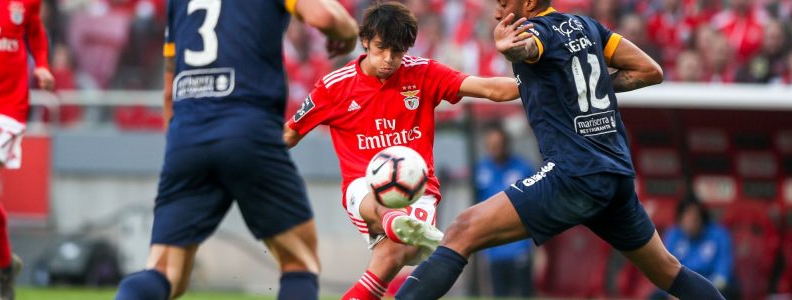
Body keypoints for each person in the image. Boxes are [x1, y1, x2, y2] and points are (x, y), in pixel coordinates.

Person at [395, 1, 726, 299]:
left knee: (462, 230)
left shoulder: (535, 31)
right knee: (668, 270)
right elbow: (651, 71)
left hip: (573, 173)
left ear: (528, 3)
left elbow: (529, 47)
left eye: (503, 4)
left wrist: (511, 50)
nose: (497, 13)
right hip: (616, 175)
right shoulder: (587, 26)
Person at [114, 0, 358, 299]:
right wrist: (347, 32)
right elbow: (323, 15)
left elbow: (169, 91)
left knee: (165, 272)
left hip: (187, 137)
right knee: (299, 260)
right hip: (248, 129)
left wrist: (184, 147)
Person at [283, 3, 520, 299]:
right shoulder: (335, 86)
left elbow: (490, 89)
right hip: (363, 189)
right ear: (366, 41)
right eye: (381, 48)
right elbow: (290, 133)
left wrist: (543, 81)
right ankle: (390, 220)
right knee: (392, 232)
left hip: (418, 189)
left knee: (391, 256)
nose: (388, 59)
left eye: (397, 52)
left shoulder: (423, 73)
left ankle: (395, 226)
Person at [0, 0, 55, 299]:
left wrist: (42, 65)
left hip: (8, 108)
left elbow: (35, 31)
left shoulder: (24, 3)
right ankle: (6, 267)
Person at [474, 124, 534, 297]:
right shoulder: (481, 169)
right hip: (493, 246)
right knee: (499, 294)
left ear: (506, 144)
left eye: (498, 144)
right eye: (491, 145)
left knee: (524, 293)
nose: (495, 149)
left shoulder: (523, 168)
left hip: (519, 244)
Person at [659, 198, 734, 298]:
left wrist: (697, 293)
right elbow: (664, 270)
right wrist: (672, 292)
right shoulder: (673, 234)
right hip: (679, 289)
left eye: (695, 218)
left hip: (709, 290)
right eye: (687, 217)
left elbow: (722, 277)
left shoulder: (719, 235)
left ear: (702, 218)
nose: (690, 223)